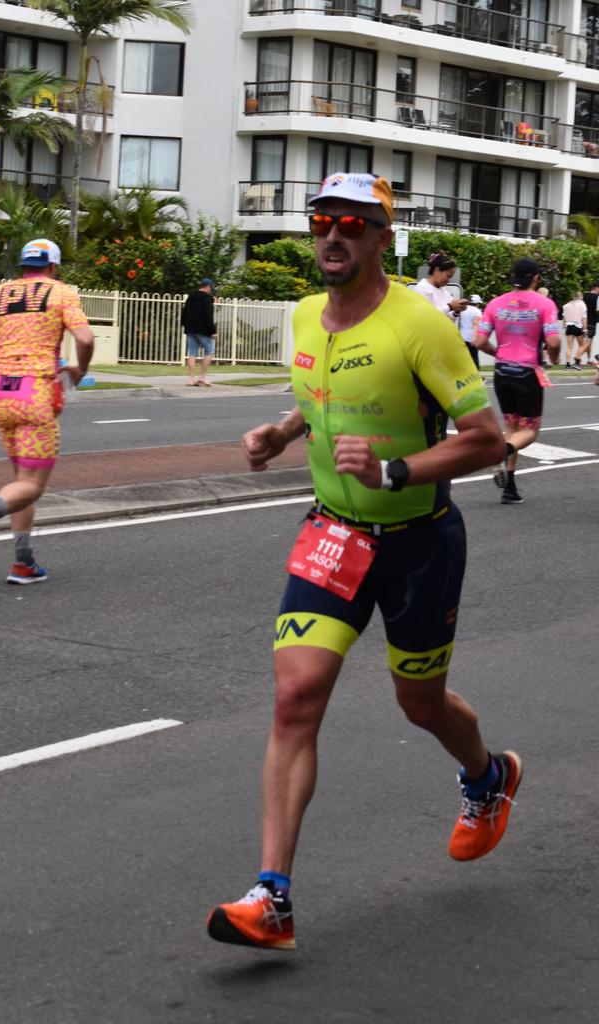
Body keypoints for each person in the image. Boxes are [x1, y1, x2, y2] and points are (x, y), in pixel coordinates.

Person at [206, 171, 518, 953]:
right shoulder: (308, 314)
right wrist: (282, 434)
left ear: (383, 236)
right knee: (295, 698)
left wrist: (396, 471)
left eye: (351, 222)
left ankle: (488, 778)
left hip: (419, 542)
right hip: (335, 533)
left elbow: (486, 436)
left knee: (421, 705)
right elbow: (320, 400)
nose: (332, 235)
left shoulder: (422, 324)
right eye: (321, 222)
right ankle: (271, 896)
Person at [0, 239, 95, 584]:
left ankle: (22, 563)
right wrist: (80, 369)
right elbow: (86, 339)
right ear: (53, 267)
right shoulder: (60, 293)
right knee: (32, 485)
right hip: (37, 392)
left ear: (22, 265)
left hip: (2, 393)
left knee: (21, 480)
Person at [474, 257, 561, 505]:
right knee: (529, 431)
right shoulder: (545, 304)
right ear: (535, 278)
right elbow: (553, 342)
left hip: (502, 372)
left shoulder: (495, 303)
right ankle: (502, 452)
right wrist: (553, 358)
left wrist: (497, 354)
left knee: (512, 428)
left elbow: (478, 342)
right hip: (527, 372)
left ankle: (509, 488)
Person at [181, 278, 217, 387]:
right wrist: (213, 331)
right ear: (207, 286)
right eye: (211, 287)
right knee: (209, 351)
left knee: (192, 353)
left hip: (191, 330)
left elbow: (184, 313)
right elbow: (208, 316)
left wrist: (186, 326)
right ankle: (202, 378)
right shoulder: (207, 299)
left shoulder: (191, 297)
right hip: (203, 330)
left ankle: (191, 379)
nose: (211, 290)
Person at [413, 251, 469, 320]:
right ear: (437, 270)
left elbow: (447, 319)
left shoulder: (444, 291)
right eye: (448, 276)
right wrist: (450, 307)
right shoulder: (422, 288)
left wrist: (456, 311)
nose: (449, 280)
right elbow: (425, 317)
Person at [562, 290, 589, 369]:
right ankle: (577, 362)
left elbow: (564, 317)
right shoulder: (582, 305)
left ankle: (567, 364)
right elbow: (584, 318)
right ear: (580, 297)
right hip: (578, 326)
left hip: (569, 326)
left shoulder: (566, 305)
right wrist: (585, 329)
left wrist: (565, 325)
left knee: (570, 347)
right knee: (581, 345)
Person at [458, 293, 482, 367]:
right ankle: (476, 376)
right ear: (477, 304)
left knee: (462, 359)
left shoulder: (462, 309)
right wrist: (474, 338)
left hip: (460, 337)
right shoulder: (477, 311)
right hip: (470, 339)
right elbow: (476, 324)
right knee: (474, 359)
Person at [582, 281, 599, 364]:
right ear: (596, 288)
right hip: (592, 322)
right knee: (588, 341)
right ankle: (577, 358)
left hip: (583, 321)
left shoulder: (584, 296)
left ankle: (589, 359)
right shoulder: (597, 297)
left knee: (588, 342)